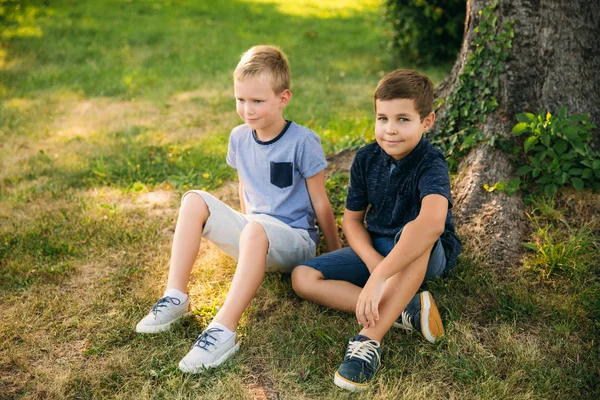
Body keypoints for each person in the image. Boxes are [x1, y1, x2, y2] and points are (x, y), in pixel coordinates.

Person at [135, 45, 341, 374]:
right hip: (255, 234)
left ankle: (223, 331)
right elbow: (246, 186)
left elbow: (320, 202)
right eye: (240, 100)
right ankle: (175, 297)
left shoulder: (303, 142)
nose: (248, 109)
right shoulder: (239, 137)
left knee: (256, 229)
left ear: (283, 98)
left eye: (257, 101)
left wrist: (334, 258)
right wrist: (247, 230)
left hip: (295, 242)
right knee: (194, 199)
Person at [292, 69, 462, 391]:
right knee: (303, 277)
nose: (390, 130)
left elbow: (433, 224)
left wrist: (379, 277)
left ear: (427, 121)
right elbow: (352, 221)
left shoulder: (431, 162)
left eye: (402, 119)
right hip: (379, 249)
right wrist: (373, 264)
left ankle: (368, 340)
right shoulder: (366, 158)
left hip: (425, 255)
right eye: (382, 118)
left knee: (416, 232)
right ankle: (404, 309)